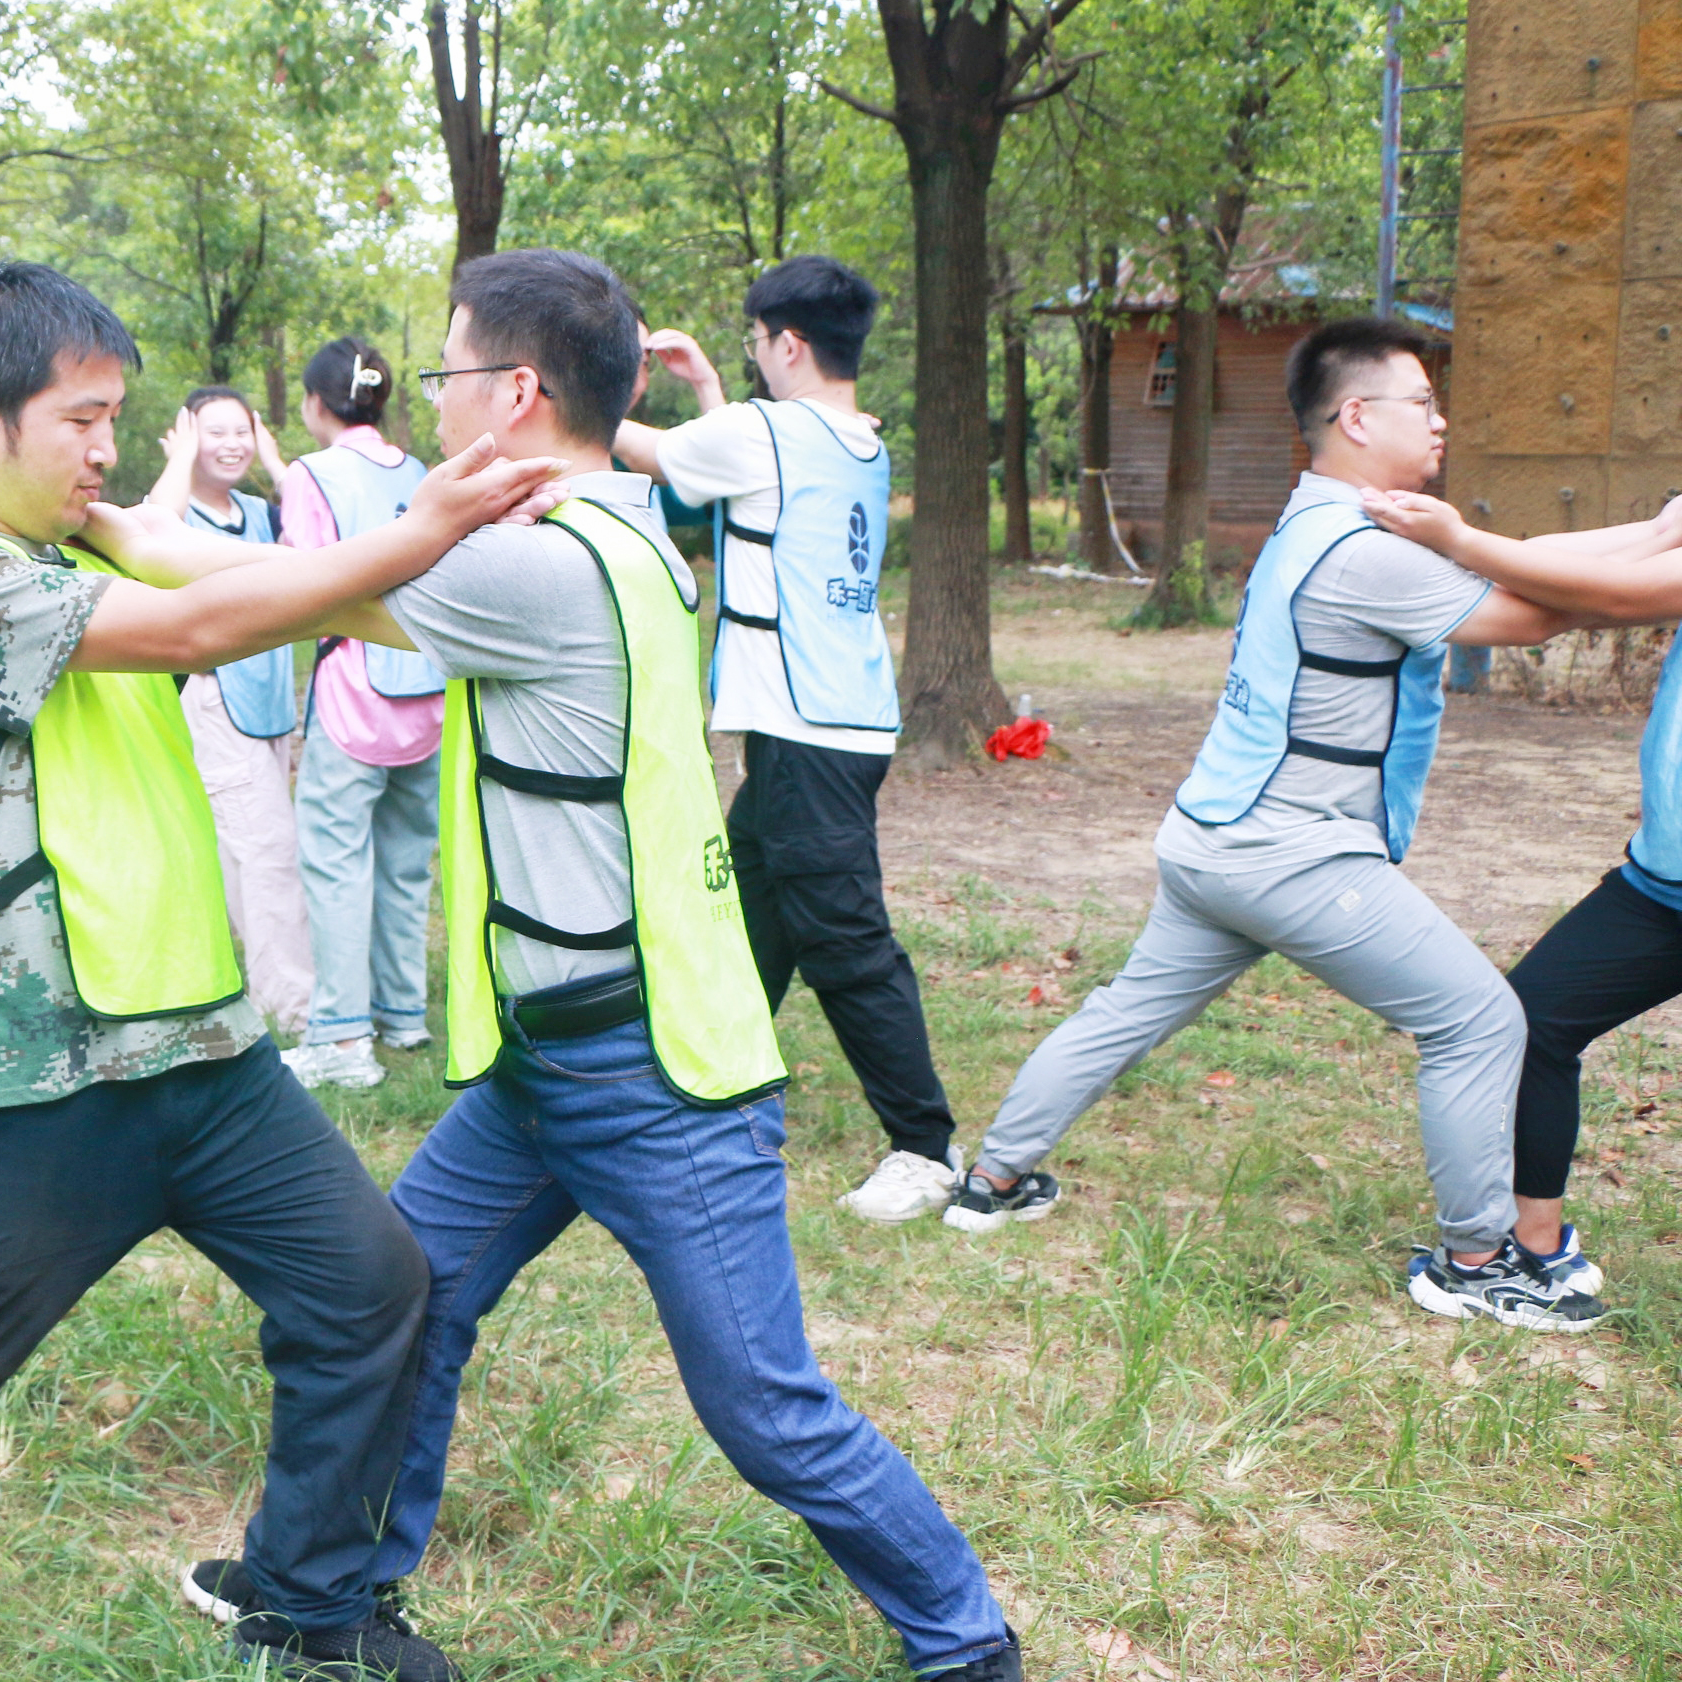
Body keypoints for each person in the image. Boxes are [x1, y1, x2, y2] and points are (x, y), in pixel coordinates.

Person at [183, 248, 1023, 1681]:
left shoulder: (537, 566)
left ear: (516, 391)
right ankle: (321, 1597)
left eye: (448, 370)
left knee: (763, 1406)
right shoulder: (615, 526)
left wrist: (89, 528)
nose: (434, 398)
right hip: (546, 1063)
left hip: (650, 1078)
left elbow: (268, 590)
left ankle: (965, 1643)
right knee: (405, 1295)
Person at [0, 261, 560, 1677]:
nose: (106, 449)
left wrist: (425, 558)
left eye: (114, 418)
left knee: (370, 1285)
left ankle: (303, 1598)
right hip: (40, 1073)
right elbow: (205, 627)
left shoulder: (74, 549)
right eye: (80, 420)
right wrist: (415, 526)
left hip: (203, 1046)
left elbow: (253, 585)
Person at [945, 315, 1609, 1333]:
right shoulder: (1364, 553)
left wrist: (1656, 536)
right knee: (1479, 1020)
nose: (1441, 421)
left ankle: (990, 1181)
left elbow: (1527, 576)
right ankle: (1476, 1262)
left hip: (1214, 838)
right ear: (1358, 417)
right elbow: (1542, 613)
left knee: (1125, 1011)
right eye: (1423, 402)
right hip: (1289, 855)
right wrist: (1655, 549)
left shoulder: (1309, 519)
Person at [612, 257, 969, 1224]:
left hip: (808, 729)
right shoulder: (857, 440)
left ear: (790, 343)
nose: (753, 355)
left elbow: (658, 454)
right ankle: (708, 1089)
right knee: (750, 921)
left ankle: (925, 1149)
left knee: (846, 943)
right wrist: (708, 385)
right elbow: (746, 478)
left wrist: (576, 393)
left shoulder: (767, 433)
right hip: (828, 722)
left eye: (756, 341)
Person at [1355, 479, 1682, 1304]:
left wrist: (1460, 541)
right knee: (1532, 1019)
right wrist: (1455, 550)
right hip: (1662, 890)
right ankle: (1538, 1243)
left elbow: (1612, 594)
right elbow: (1578, 560)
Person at [282, 339, 443, 1089]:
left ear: (316, 403)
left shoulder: (311, 474)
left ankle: (343, 1039)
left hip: (353, 696)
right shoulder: (420, 473)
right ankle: (402, 1015)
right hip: (427, 690)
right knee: (406, 863)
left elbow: (304, 587)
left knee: (336, 864)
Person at [141, 387, 316, 1035]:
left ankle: (262, 991)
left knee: (251, 854)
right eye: (214, 432)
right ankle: (294, 1009)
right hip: (216, 702)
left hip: (270, 707)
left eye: (242, 431)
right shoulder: (177, 512)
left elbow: (321, 534)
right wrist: (179, 461)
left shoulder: (259, 511)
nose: (232, 444)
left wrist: (274, 460)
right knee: (268, 853)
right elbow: (150, 529)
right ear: (187, 435)